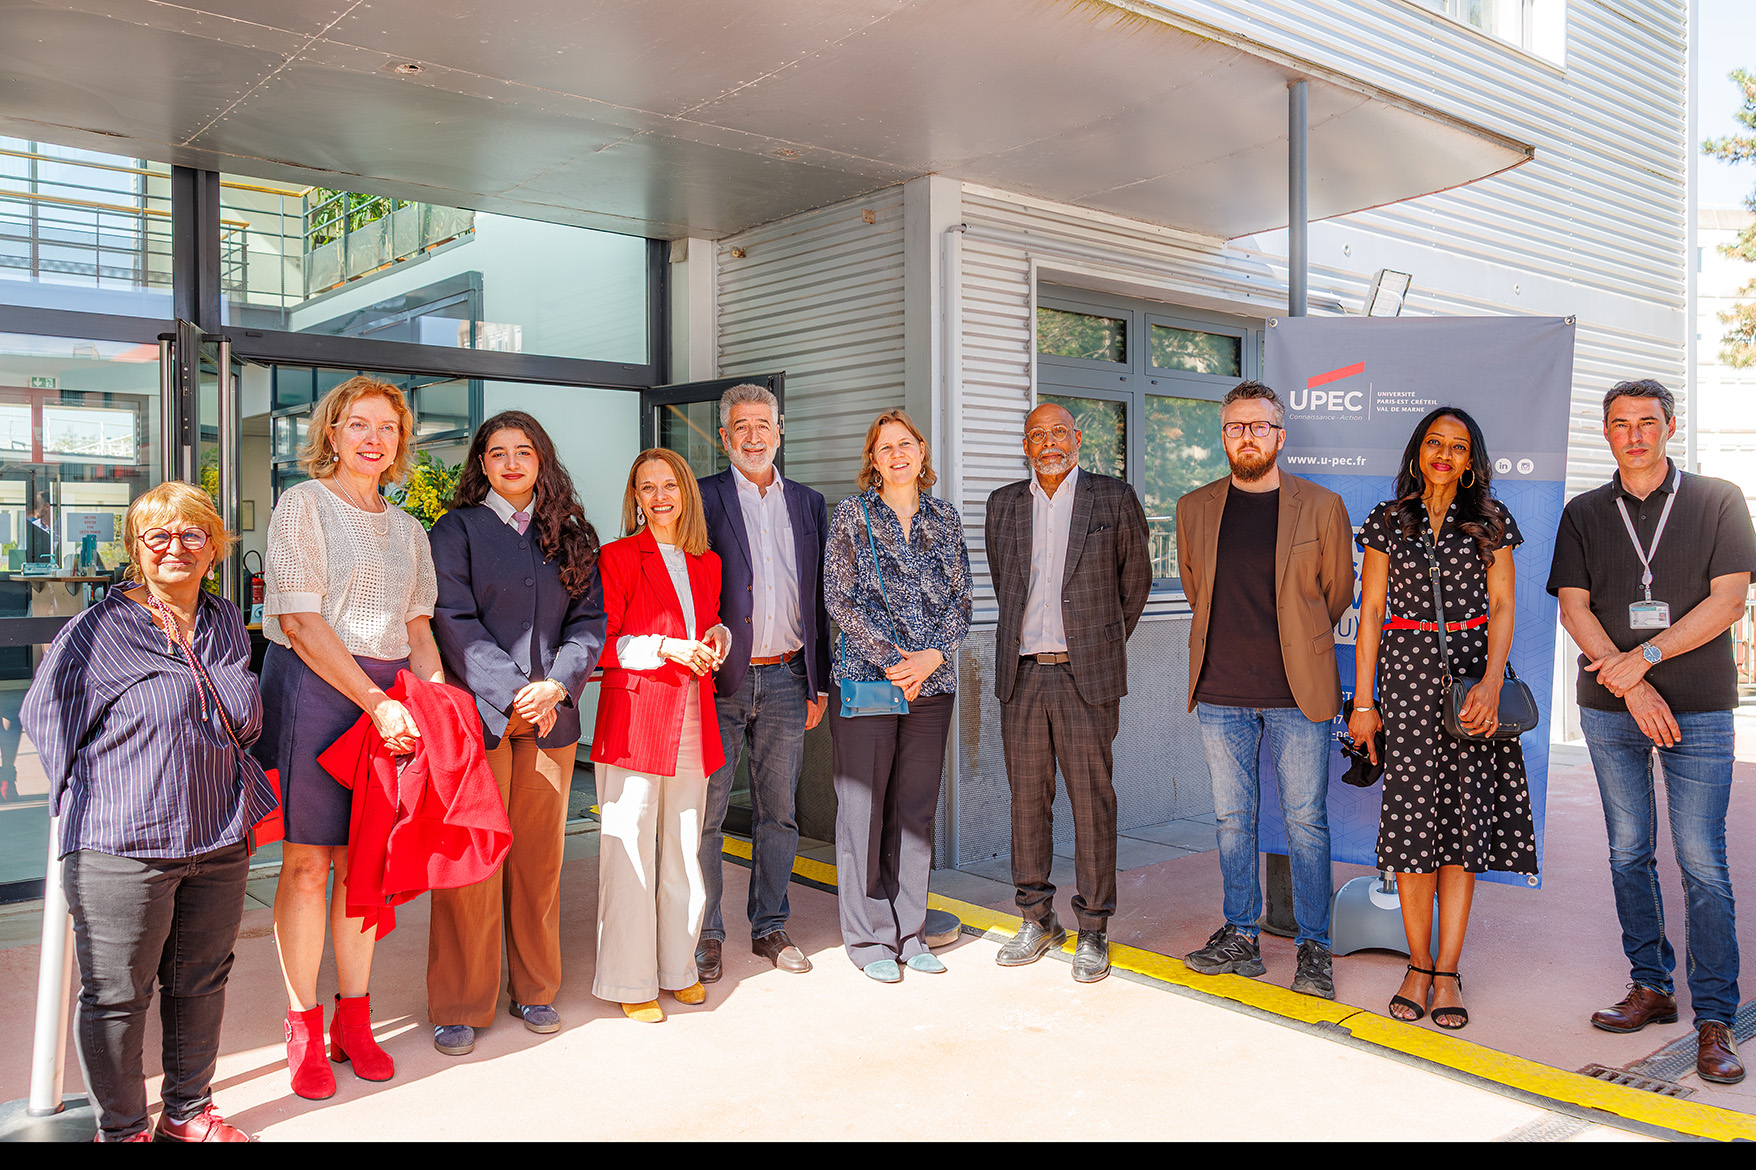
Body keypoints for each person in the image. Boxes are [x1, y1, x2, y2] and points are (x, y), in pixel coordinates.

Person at [23, 482, 275, 1141]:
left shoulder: (223, 620)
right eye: (157, 535)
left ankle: (188, 1115)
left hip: (217, 832)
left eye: (192, 534)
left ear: (215, 548)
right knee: (116, 996)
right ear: (137, 549)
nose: (175, 548)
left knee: (201, 981)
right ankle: (124, 1129)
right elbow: (46, 718)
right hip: (123, 842)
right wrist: (106, 794)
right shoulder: (100, 628)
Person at [1548, 379, 1755, 1084]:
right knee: (1628, 851)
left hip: (1698, 707)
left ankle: (1716, 1018)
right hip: (1611, 711)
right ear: (1605, 432)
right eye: (1619, 423)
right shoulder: (1583, 512)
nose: (1632, 435)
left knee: (1702, 860)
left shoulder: (1718, 499)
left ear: (1670, 427)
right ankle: (1651, 985)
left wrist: (1646, 659)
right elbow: (1574, 607)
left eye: (1646, 422)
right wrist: (1631, 684)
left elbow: (1729, 601)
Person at [256, 376, 442, 1099]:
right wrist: (375, 702)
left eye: (387, 427)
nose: (373, 438)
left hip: (388, 700)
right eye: (358, 424)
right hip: (315, 688)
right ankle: (303, 1025)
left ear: (400, 442)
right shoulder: (303, 504)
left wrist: (432, 705)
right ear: (331, 433)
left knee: (367, 864)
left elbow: (418, 629)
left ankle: (354, 1020)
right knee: (309, 864)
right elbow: (299, 622)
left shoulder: (410, 530)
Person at [1349, 406, 1536, 1030]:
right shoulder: (1388, 520)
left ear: (1471, 460)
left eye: (1458, 446)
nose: (1444, 454)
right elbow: (1370, 615)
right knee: (1411, 832)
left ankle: (1448, 971)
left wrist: (1491, 684)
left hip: (1472, 688)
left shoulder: (1491, 521)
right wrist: (1364, 703)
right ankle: (1417, 964)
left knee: (1461, 828)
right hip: (1404, 684)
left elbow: (1503, 606)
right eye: (1435, 442)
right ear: (1417, 451)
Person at [426, 411, 607, 1054]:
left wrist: (556, 685)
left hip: (552, 720)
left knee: (538, 865)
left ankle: (534, 988)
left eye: (523, 451)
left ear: (541, 460)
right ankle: (460, 1002)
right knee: (472, 863)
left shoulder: (572, 535)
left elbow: (590, 622)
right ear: (481, 463)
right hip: (481, 720)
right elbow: (452, 618)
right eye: (497, 452)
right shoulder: (456, 530)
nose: (510, 462)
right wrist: (512, 690)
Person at [1177, 380, 1353, 1001]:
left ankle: (1314, 947)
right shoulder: (1193, 507)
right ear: (1224, 437)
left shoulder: (1322, 505)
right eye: (1235, 427)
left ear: (1279, 435)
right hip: (1220, 689)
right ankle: (1241, 937)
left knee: (1306, 822)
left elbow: (1336, 594)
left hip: (1296, 693)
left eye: (1257, 426)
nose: (1246, 437)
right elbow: (1197, 589)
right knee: (1232, 821)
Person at [985, 402, 1151, 982]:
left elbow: (1136, 583)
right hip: (1023, 674)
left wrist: (1096, 644)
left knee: (1091, 801)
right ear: (1026, 445)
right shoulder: (1003, 504)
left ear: (1077, 438)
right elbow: (1007, 583)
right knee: (1027, 801)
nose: (1049, 442)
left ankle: (1094, 927)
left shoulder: (1113, 498)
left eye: (1059, 432)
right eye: (1038, 435)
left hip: (1087, 677)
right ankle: (1036, 919)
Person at [825, 408, 972, 983]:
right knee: (863, 813)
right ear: (874, 460)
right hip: (869, 681)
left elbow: (962, 600)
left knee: (914, 812)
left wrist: (932, 656)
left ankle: (910, 933)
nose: (897, 454)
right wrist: (893, 661)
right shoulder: (851, 515)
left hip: (932, 685)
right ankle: (868, 939)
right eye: (885, 447)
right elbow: (839, 599)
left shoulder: (945, 517)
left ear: (921, 451)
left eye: (905, 444)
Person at [696, 384, 831, 981]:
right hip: (720, 681)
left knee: (779, 813)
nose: (753, 437)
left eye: (763, 425)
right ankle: (706, 933)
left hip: (787, 678)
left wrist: (819, 683)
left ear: (780, 432)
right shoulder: (702, 497)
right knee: (707, 813)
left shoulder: (808, 503)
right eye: (741, 427)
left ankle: (770, 926)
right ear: (724, 437)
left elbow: (821, 598)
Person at [592, 448, 730, 1022]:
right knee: (628, 850)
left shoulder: (707, 562)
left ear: (685, 493)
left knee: (683, 850)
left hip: (693, 717)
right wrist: (669, 647)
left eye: (669, 485)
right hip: (635, 719)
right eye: (646, 487)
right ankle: (630, 980)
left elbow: (707, 623)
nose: (659, 496)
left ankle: (678, 968)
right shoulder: (617, 556)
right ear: (635, 497)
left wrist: (717, 637)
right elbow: (603, 643)